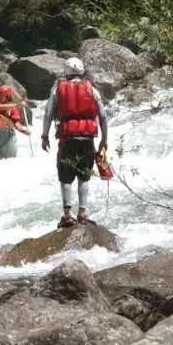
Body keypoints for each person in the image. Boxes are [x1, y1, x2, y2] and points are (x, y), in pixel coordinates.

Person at [41, 57, 109, 228]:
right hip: (87, 138)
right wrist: (104, 140)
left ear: (66, 72)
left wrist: (44, 136)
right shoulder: (92, 89)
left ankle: (66, 215)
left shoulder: (58, 89)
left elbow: (48, 113)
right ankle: (83, 213)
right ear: (82, 71)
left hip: (68, 138)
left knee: (65, 177)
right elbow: (103, 115)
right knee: (84, 175)